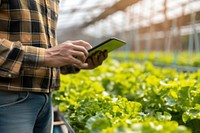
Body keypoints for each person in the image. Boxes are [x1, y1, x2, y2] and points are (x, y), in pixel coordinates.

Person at [0, 0, 108, 133]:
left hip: (46, 99)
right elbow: (45, 55)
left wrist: (74, 60)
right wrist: (46, 55)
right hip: (9, 96)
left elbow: (44, 53)